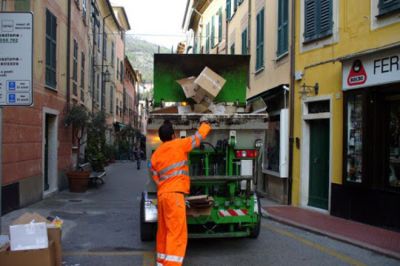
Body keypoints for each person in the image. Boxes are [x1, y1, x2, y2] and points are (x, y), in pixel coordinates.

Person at [150, 117, 211, 266]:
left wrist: (164, 186)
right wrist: (206, 124)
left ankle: (161, 262)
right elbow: (197, 138)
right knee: (176, 233)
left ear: (161, 138)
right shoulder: (179, 145)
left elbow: (155, 174)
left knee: (163, 231)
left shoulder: (156, 154)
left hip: (163, 196)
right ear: (173, 136)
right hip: (175, 196)